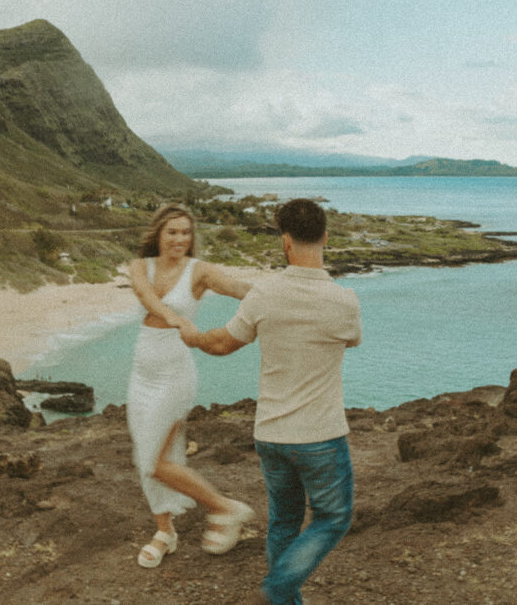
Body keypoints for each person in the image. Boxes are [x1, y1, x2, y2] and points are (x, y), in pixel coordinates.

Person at [178, 198, 361, 605]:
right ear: (326, 237)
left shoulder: (263, 295)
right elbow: (352, 338)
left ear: (285, 242)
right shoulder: (345, 300)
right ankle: (275, 591)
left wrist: (193, 337)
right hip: (321, 437)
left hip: (271, 435)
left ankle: (282, 602)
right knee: (333, 517)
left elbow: (223, 344)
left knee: (284, 522)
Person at [126, 203, 256, 569]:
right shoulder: (140, 266)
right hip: (142, 374)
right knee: (145, 456)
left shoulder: (198, 272)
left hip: (174, 376)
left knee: (156, 461)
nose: (180, 239)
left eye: (186, 233)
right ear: (158, 234)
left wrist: (283, 292)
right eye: (173, 232)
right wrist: (175, 318)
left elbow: (238, 287)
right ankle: (165, 532)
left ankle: (225, 508)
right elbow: (145, 297)